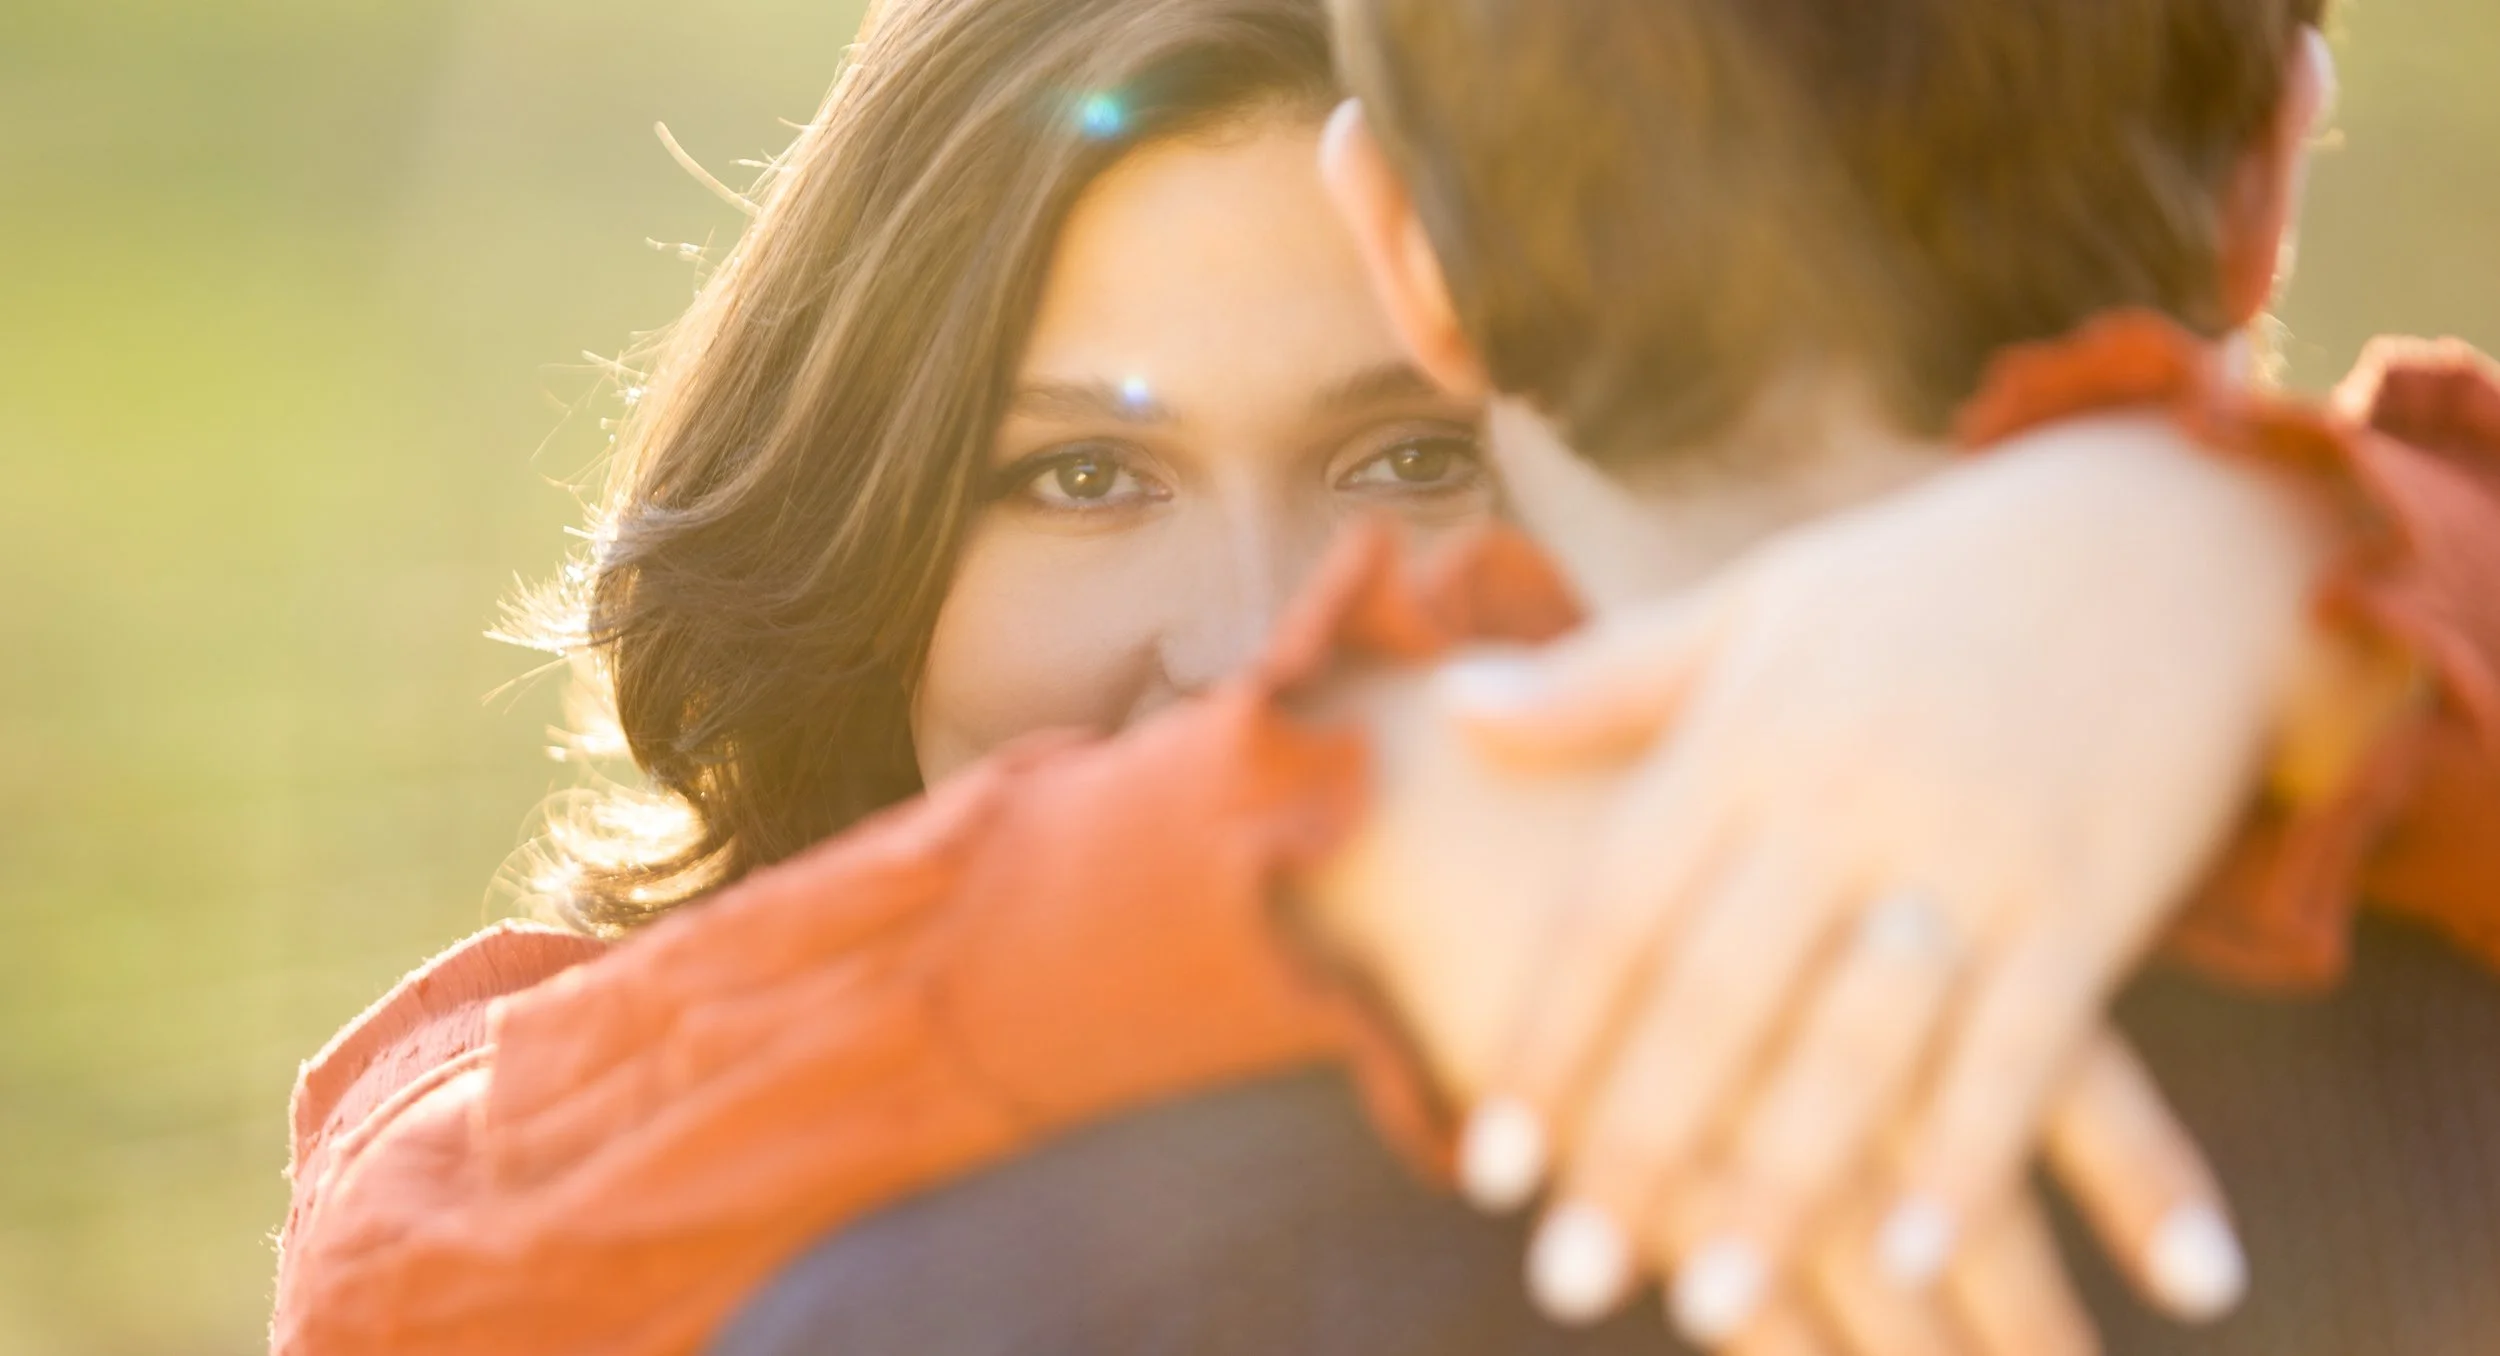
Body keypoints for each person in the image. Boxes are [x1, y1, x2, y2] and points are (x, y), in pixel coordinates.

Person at [270, 2, 2498, 1356]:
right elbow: (405, 1239)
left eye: (1408, 461)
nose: (1256, 642)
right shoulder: (663, 1099)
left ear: (1473, 308)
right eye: (1077, 476)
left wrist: (2223, 547)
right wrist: (1322, 832)